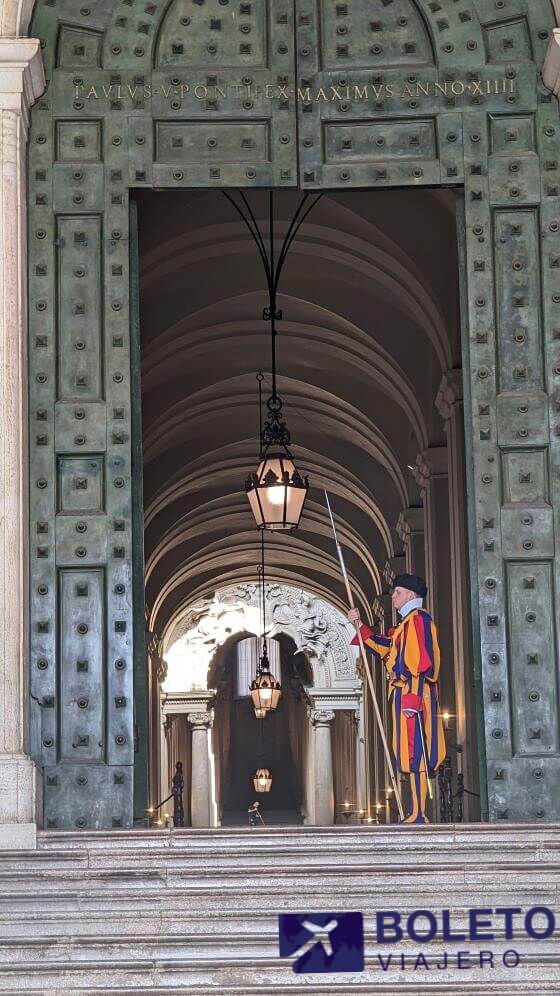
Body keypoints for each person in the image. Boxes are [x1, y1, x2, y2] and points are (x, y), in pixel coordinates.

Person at [348, 574, 446, 824]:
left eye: (398, 592)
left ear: (412, 596)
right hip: (405, 694)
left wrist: (413, 699)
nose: (393, 596)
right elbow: (386, 648)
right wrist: (359, 626)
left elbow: (421, 664)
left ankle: (420, 812)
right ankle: (416, 810)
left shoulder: (418, 620)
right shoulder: (404, 626)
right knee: (408, 753)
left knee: (418, 752)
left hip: (415, 695)